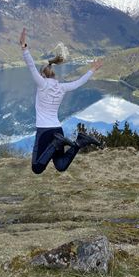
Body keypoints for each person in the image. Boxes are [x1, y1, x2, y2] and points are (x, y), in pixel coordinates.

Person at [19, 27, 103, 174]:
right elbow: (78, 83)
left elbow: (31, 66)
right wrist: (92, 70)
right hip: (57, 129)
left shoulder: (42, 84)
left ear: (43, 75)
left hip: (45, 131)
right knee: (60, 165)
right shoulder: (62, 87)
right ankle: (79, 142)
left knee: (37, 168)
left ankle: (56, 143)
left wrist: (24, 48)